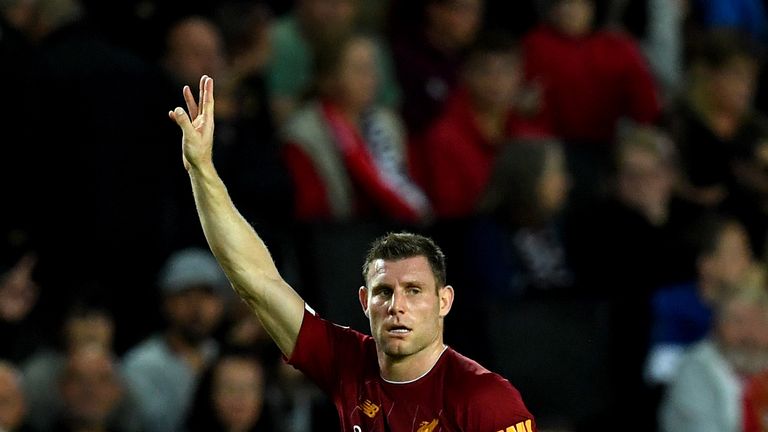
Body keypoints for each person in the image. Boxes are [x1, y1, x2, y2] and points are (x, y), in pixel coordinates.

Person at [167, 75, 536, 431]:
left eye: (414, 290)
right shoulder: (348, 364)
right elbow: (255, 279)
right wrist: (203, 171)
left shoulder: (486, 399)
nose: (397, 306)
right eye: (384, 292)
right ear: (364, 301)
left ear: (444, 301)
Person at [121, 247, 228, 432]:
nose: (197, 307)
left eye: (207, 294)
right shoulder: (139, 366)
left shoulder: (226, 360)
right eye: (185, 294)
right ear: (165, 302)